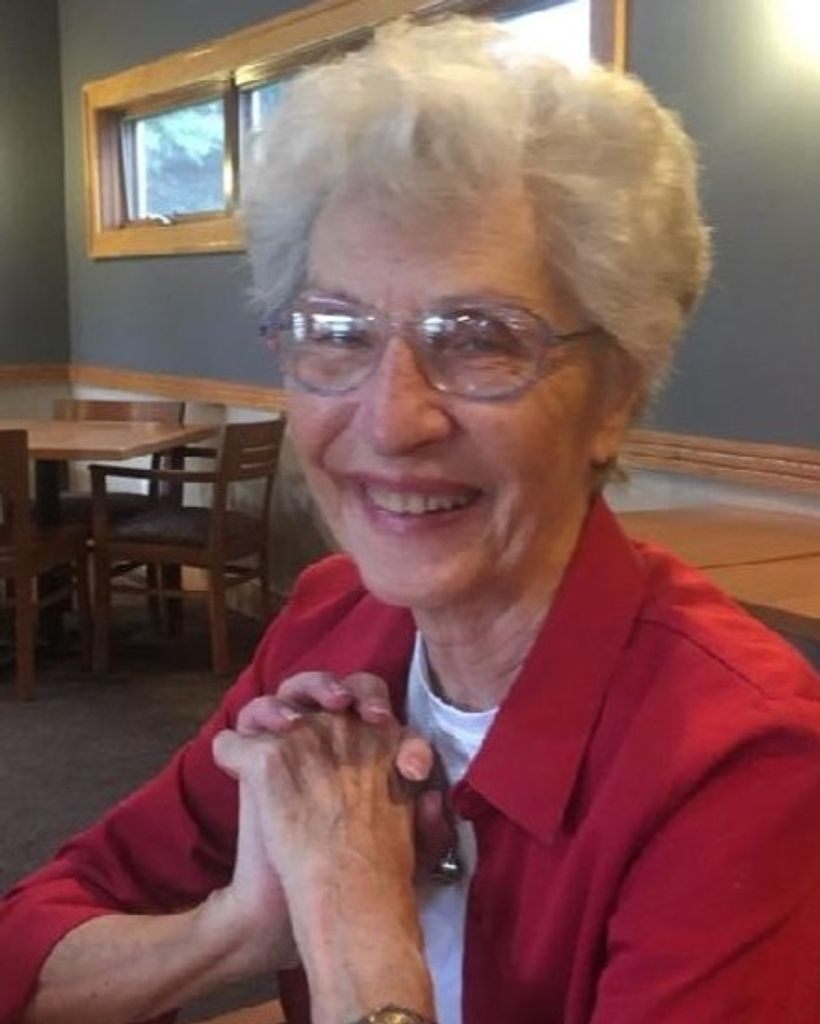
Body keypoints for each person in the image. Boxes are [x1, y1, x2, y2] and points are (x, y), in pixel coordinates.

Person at [3, 13, 820, 1024]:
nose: (392, 421)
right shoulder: (335, 622)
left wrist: (353, 923)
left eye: (477, 337)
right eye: (336, 330)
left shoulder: (739, 760)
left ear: (616, 393)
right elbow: (29, 940)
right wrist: (238, 930)